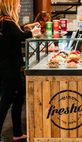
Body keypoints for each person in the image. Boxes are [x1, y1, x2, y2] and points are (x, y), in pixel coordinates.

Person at [0, 0, 41, 141]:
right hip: (9, 70)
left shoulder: (6, 21)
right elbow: (20, 36)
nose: (20, 6)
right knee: (5, 103)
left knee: (18, 100)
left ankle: (17, 133)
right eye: (17, 4)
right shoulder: (8, 22)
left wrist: (26, 27)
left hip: (10, 68)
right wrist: (33, 32)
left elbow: (16, 33)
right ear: (11, 6)